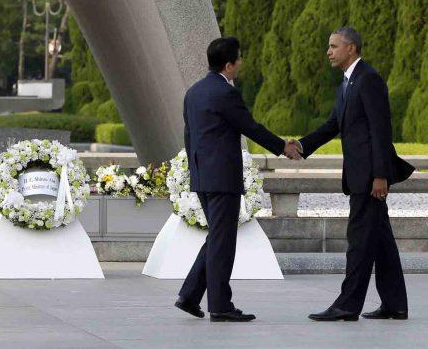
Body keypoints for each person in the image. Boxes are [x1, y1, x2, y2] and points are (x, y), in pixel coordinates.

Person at [176, 36, 302, 322]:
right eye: (240, 59)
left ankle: (189, 295)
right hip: (222, 178)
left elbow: (189, 135)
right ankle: (220, 306)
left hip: (203, 177)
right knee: (222, 242)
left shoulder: (194, 92)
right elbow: (250, 126)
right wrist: (282, 146)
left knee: (217, 238)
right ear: (229, 64)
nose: (242, 63)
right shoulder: (225, 93)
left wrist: (196, 172)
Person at [293, 26, 415, 321]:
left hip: (369, 178)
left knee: (359, 241)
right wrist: (300, 145)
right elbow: (333, 124)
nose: (329, 51)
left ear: (352, 48)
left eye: (334, 46)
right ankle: (395, 304)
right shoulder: (347, 83)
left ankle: (347, 306)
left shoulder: (369, 79)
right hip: (360, 176)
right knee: (381, 242)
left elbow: (380, 130)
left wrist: (380, 175)